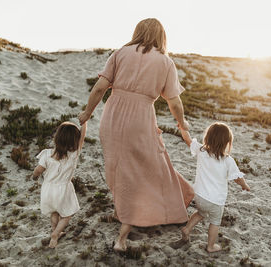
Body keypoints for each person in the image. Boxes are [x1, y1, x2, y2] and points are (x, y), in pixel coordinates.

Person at [78, 18, 194, 252]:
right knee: (148, 166)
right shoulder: (165, 62)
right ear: (161, 36)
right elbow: (174, 101)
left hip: (112, 116)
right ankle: (127, 230)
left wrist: (87, 113)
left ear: (138, 32)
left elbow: (100, 87)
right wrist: (182, 124)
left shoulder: (120, 53)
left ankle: (120, 210)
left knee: (117, 166)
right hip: (140, 119)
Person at [178, 122, 250, 253]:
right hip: (215, 200)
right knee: (215, 222)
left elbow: (187, 139)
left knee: (200, 213)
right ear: (227, 142)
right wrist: (244, 185)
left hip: (199, 196)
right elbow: (237, 178)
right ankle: (211, 246)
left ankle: (187, 229)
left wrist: (182, 128)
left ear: (208, 137)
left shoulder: (201, 151)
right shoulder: (228, 160)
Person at [32, 121, 87, 248]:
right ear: (75, 141)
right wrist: (85, 121)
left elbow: (38, 170)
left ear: (57, 138)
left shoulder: (47, 154)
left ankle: (54, 230)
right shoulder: (73, 154)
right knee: (67, 215)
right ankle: (56, 234)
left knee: (54, 211)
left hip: (47, 189)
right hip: (63, 189)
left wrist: (35, 176)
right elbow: (83, 136)